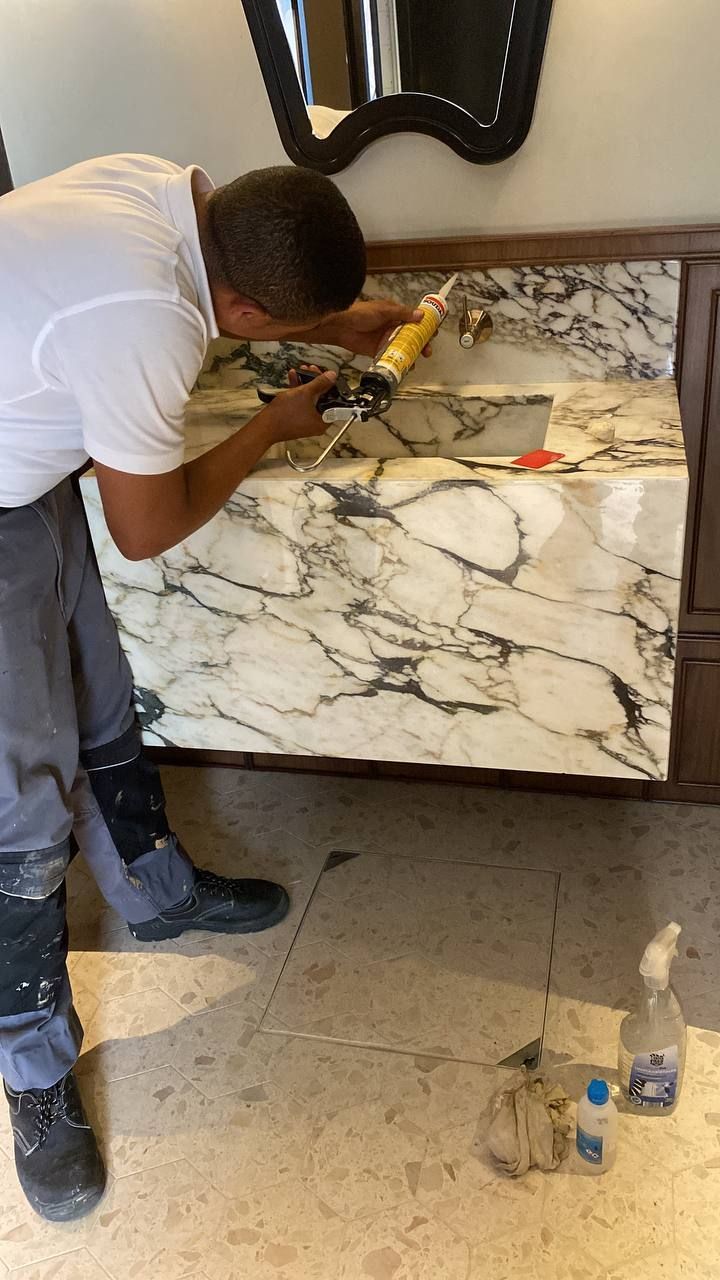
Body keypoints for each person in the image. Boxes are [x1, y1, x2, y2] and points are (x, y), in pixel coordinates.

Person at [0, 154, 422, 1221]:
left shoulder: (163, 188)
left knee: (102, 707)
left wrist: (343, 323)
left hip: (25, 476)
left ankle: (157, 893)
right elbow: (146, 529)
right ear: (245, 311)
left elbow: (200, 297)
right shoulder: (146, 317)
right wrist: (268, 428)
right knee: (19, 810)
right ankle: (34, 1074)